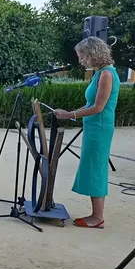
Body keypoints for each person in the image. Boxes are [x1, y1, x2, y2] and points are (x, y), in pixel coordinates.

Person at [54, 37, 120, 228]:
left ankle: (97, 217)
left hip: (100, 127)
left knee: (96, 168)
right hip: (93, 127)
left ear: (93, 54)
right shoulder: (100, 73)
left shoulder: (107, 74)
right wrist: (70, 113)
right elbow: (90, 104)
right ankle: (95, 214)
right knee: (92, 167)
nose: (81, 60)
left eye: (82, 56)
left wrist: (70, 115)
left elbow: (98, 107)